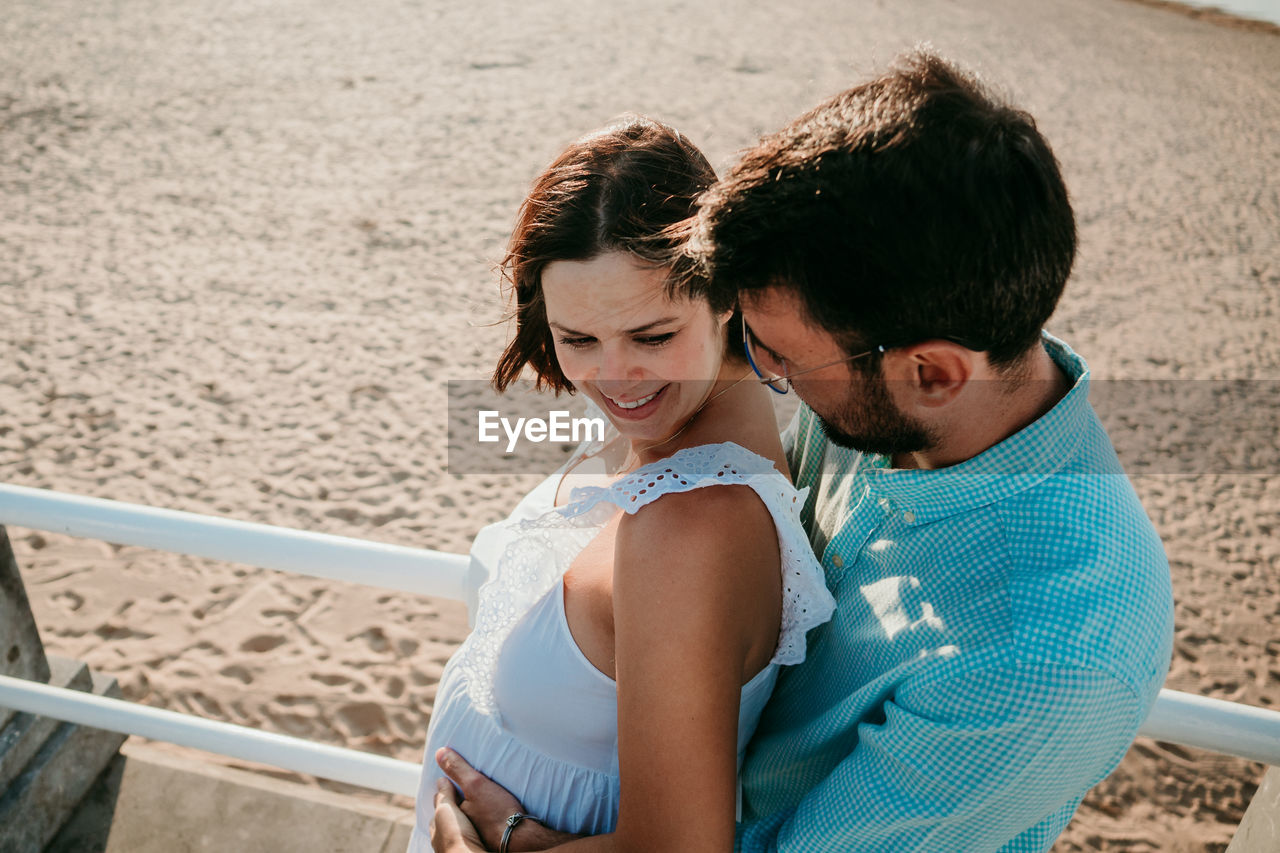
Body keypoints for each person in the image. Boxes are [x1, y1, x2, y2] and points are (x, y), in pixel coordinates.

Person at [430, 50, 1175, 852]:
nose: (761, 379)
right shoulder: (913, 358)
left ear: (932, 373)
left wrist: (510, 843)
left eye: (781, 357)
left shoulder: (1048, 656)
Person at [407, 115, 836, 853]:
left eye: (653, 336)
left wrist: (502, 843)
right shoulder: (667, 428)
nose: (615, 377)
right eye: (578, 339)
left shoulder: (690, 529)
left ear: (726, 294)